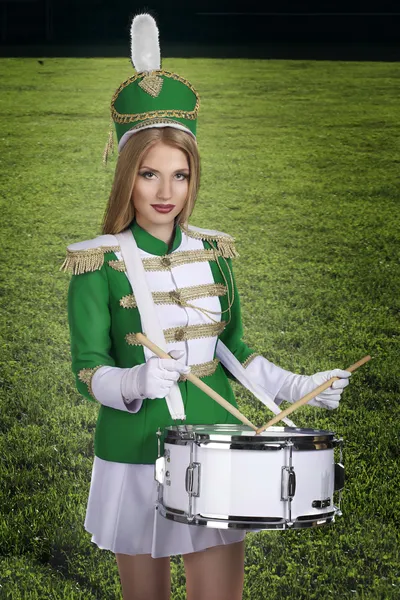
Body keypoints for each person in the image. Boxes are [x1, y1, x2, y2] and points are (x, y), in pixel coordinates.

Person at [61, 13, 351, 600]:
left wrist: (300, 386)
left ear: (194, 178)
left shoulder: (214, 253)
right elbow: (87, 368)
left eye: (179, 175)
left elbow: (234, 349)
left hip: (217, 448)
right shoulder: (97, 263)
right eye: (148, 174)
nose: (165, 193)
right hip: (136, 450)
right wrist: (135, 378)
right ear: (127, 177)